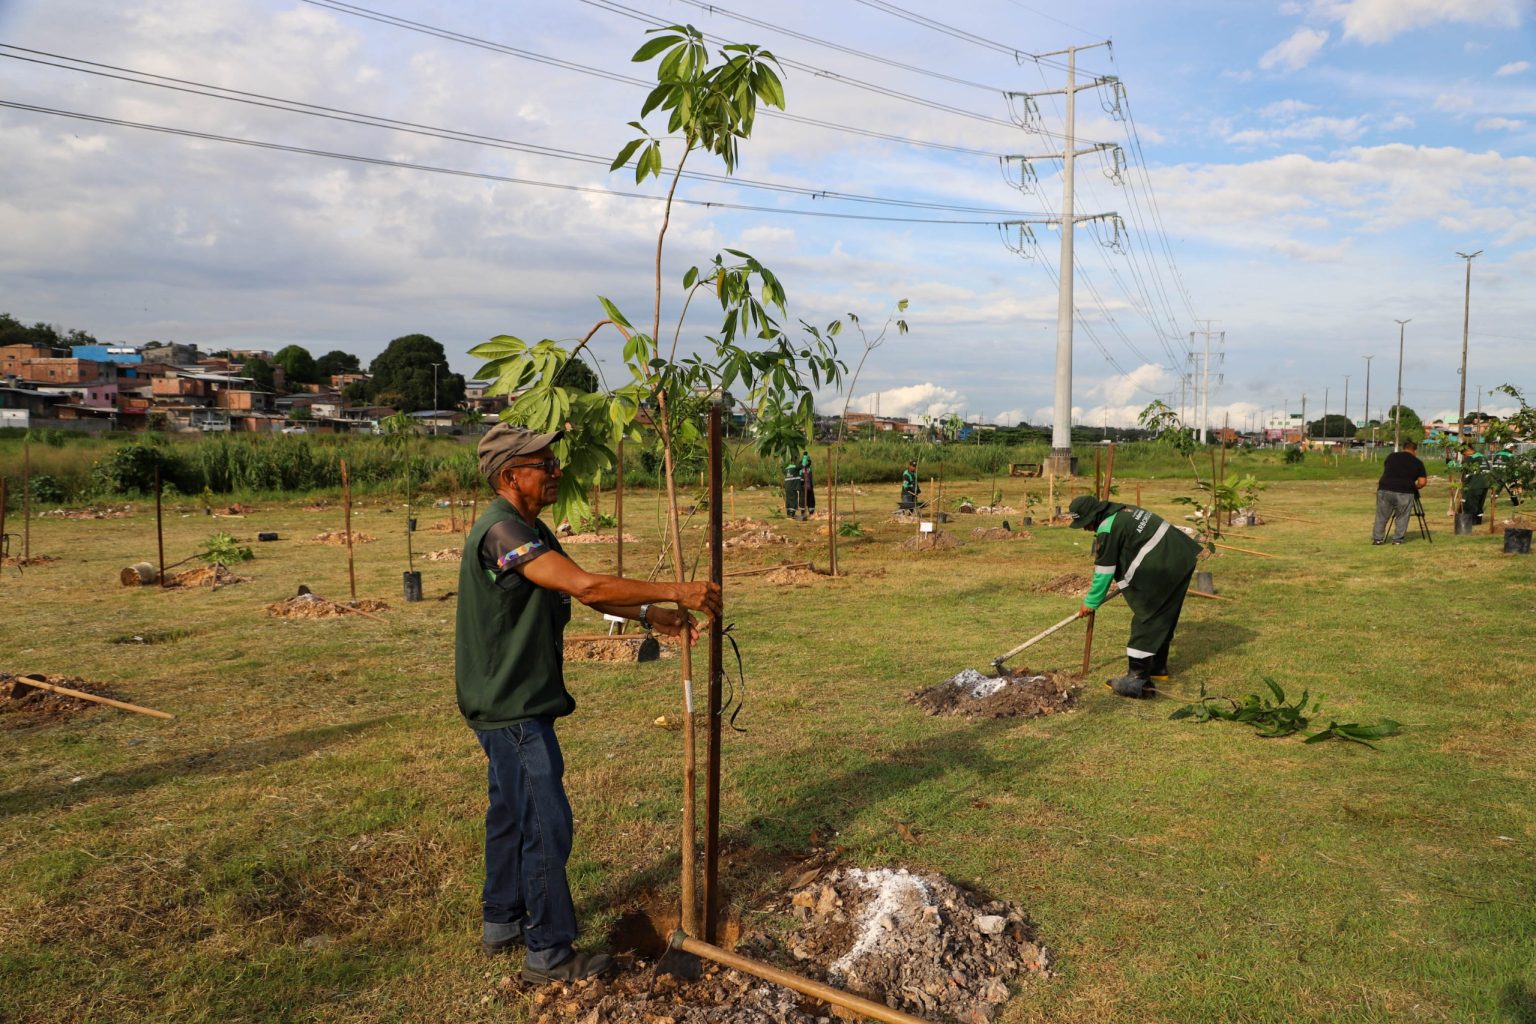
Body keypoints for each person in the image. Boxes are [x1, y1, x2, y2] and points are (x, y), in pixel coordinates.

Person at [457, 423, 721, 983]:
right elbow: (585, 587)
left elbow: (572, 586)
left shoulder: (530, 529)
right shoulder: (502, 533)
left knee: (509, 811)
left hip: (504, 699)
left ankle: (502, 920)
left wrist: (652, 617)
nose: (557, 472)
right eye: (544, 465)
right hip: (512, 708)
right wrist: (677, 591)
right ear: (510, 475)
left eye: (554, 463)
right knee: (545, 822)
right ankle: (549, 953)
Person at [1067, 495, 1201, 698]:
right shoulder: (1124, 510)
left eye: (1085, 523)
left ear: (1094, 516)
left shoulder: (1107, 528)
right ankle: (1158, 667)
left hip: (1164, 565)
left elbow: (1104, 570)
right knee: (1165, 613)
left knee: (1147, 615)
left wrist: (1091, 602)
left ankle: (1136, 680)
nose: (1086, 529)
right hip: (1181, 556)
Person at [1373, 439, 1428, 544]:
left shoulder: (1391, 456)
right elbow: (1422, 482)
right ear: (1415, 450)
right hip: (1405, 491)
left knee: (1382, 515)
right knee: (1402, 516)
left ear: (1403, 448)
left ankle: (1378, 539)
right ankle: (1397, 539)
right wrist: (1415, 487)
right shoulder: (1418, 462)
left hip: (1385, 488)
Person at [1458, 444, 1490, 523]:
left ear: (1468, 450)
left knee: (1470, 504)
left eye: (1464, 454)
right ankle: (1478, 521)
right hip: (1485, 484)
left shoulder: (1470, 458)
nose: (1464, 456)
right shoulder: (1483, 457)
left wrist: (1463, 484)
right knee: (1479, 505)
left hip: (1474, 484)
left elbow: (1464, 472)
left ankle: (1470, 522)